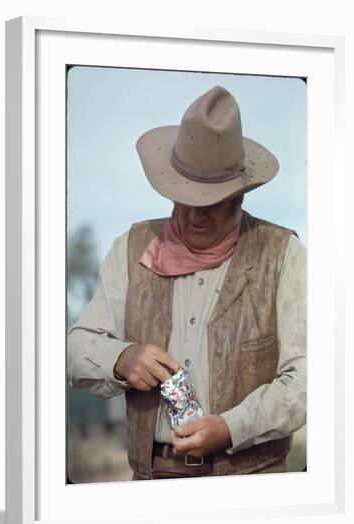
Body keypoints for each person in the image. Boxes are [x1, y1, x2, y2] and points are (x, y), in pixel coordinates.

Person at [67, 85, 306, 480]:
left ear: (239, 197)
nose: (194, 216)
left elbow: (308, 381)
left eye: (210, 204)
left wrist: (232, 428)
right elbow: (73, 348)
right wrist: (120, 358)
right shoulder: (129, 248)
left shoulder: (284, 255)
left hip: (254, 483)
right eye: (184, 199)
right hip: (153, 479)